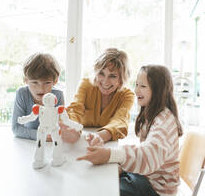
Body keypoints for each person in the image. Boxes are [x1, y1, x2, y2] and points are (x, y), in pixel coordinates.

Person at [77, 65, 183, 196]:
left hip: (158, 190)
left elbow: (149, 156)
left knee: (104, 189)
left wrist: (110, 154)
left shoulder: (164, 121)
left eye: (143, 86)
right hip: (146, 178)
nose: (136, 90)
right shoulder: (153, 114)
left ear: (158, 91)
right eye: (137, 84)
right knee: (102, 177)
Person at [61, 48, 134, 145]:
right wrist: (71, 129)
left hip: (107, 143)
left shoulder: (127, 95)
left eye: (112, 76)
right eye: (101, 73)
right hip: (78, 139)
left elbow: (120, 120)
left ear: (122, 78)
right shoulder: (86, 84)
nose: (105, 81)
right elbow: (75, 109)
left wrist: (99, 136)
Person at [11, 53, 64, 140]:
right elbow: (16, 128)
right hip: (28, 143)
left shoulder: (58, 95)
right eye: (35, 82)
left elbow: (60, 125)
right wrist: (42, 136)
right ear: (26, 80)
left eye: (47, 83)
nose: (41, 88)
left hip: (50, 143)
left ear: (55, 81)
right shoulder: (22, 93)